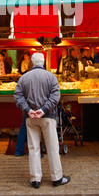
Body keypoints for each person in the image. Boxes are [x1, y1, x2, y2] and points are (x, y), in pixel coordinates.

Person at [14, 52, 71, 188]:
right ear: (43, 62)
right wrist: (44, 110)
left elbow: (17, 96)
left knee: (33, 147)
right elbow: (56, 96)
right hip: (48, 117)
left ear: (32, 63)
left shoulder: (24, 78)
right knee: (52, 147)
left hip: (30, 118)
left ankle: (35, 179)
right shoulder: (51, 77)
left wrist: (28, 110)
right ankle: (57, 178)